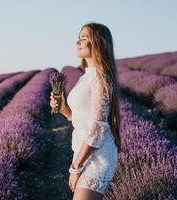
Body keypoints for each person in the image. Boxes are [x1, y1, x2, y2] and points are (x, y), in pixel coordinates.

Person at [50, 22, 121, 200]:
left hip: (98, 157)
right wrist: (63, 108)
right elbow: (80, 119)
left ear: (99, 43)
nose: (78, 42)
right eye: (78, 38)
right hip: (85, 153)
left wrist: (76, 167)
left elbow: (97, 127)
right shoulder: (87, 76)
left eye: (84, 38)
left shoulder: (100, 78)